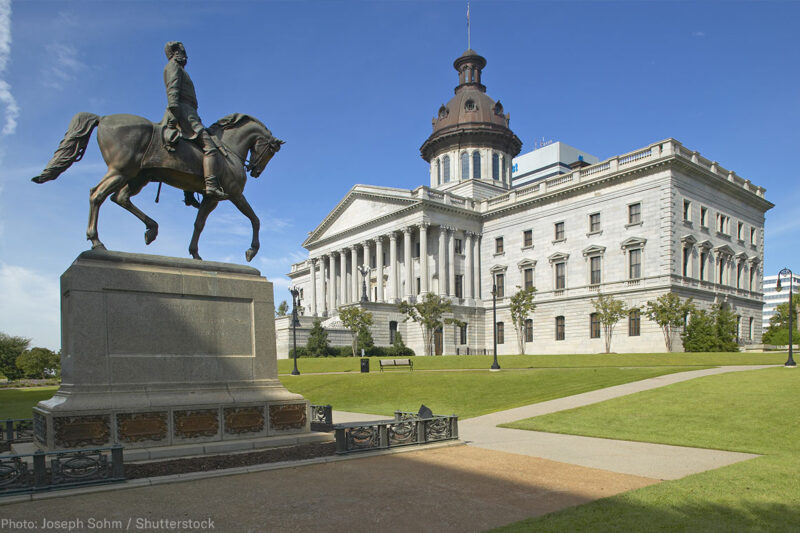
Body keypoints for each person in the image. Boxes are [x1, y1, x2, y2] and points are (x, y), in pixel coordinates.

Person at [163, 41, 226, 200]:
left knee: (191, 151)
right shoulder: (174, 67)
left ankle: (189, 193)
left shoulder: (179, 69)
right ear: (175, 53)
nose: (186, 56)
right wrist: (173, 120)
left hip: (188, 113)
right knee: (210, 148)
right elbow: (173, 94)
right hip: (184, 113)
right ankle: (211, 185)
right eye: (183, 53)